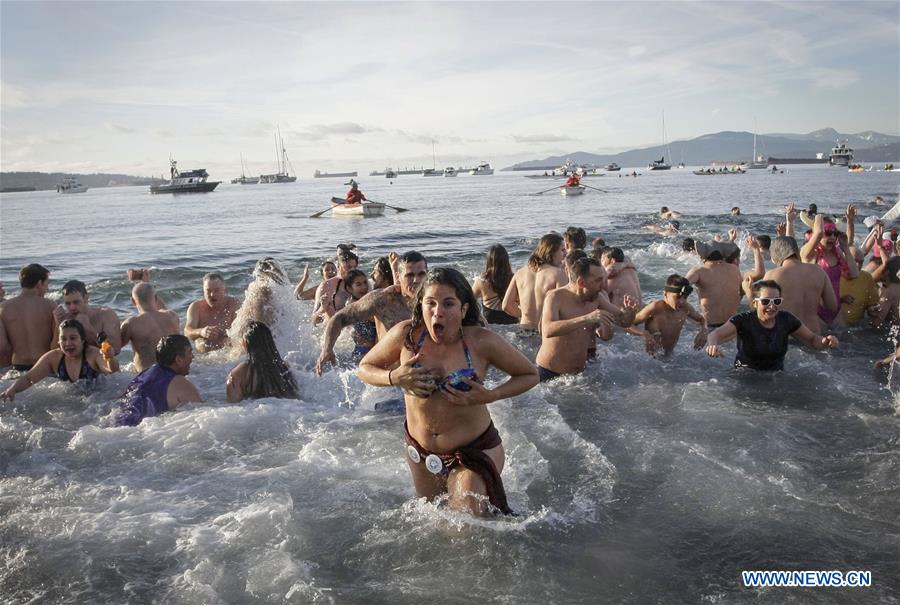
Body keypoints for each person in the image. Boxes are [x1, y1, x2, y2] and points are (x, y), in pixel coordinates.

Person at [357, 267, 538, 516]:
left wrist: (492, 395)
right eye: (430, 303)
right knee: (436, 525)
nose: (438, 312)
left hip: (473, 451)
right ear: (420, 305)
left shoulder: (481, 341)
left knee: (466, 524)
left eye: (448, 304)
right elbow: (365, 367)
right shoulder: (406, 336)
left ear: (464, 310)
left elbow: (530, 374)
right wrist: (393, 376)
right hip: (420, 453)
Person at [316, 251, 428, 375]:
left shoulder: (435, 301)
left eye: (421, 274)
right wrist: (327, 349)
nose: (416, 280)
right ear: (399, 276)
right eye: (409, 275)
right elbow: (339, 318)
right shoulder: (382, 299)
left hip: (420, 375)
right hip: (386, 379)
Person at [535, 257, 635, 381]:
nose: (603, 284)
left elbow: (623, 321)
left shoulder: (597, 297)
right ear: (581, 282)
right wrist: (587, 318)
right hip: (550, 374)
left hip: (579, 375)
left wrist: (630, 312)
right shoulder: (555, 297)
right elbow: (548, 330)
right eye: (598, 280)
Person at [705, 280, 838, 370]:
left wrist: (825, 341)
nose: (771, 306)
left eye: (776, 301)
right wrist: (712, 344)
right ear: (755, 303)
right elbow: (715, 334)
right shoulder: (743, 320)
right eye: (766, 301)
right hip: (745, 376)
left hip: (776, 376)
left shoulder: (786, 320)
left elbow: (813, 340)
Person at [0, 319, 119, 401]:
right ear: (58, 342)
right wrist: (12, 390)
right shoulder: (54, 358)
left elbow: (111, 370)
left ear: (82, 340)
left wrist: (109, 358)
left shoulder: (92, 354)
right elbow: (29, 378)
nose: (68, 343)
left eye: (73, 338)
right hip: (78, 403)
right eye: (63, 339)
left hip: (102, 398)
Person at [116, 334, 202, 426]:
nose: (192, 357)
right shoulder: (181, 383)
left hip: (119, 424)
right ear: (178, 359)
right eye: (189, 352)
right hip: (142, 432)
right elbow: (202, 415)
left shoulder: (144, 374)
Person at [757, 236, 837, 333]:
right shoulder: (819, 271)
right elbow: (832, 306)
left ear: (775, 255)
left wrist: (748, 291)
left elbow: (761, 311)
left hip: (787, 335)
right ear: (797, 252)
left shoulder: (772, 275)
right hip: (813, 334)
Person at [629, 275, 707, 356]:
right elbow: (627, 325)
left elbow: (701, 319)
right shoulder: (655, 308)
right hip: (649, 359)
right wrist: (644, 334)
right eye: (678, 297)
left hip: (670, 357)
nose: (682, 301)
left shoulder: (685, 308)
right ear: (665, 294)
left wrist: (704, 331)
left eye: (685, 297)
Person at [502, 233, 567, 331]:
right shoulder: (558, 274)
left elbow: (506, 305)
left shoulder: (520, 273)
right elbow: (564, 310)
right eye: (562, 250)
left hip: (523, 331)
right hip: (545, 332)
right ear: (552, 252)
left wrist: (525, 313)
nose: (565, 253)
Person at [0, 264, 57, 371]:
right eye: (46, 283)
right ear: (39, 283)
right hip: (45, 365)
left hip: (18, 367)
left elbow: (2, 346)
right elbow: (57, 343)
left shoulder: (4, 308)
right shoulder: (51, 306)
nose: (47, 288)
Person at [226, 321, 299, 402]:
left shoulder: (237, 375)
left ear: (246, 343)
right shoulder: (284, 368)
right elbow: (294, 397)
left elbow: (234, 405)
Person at [120, 282, 180, 372]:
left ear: (132, 301)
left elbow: (116, 348)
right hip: (175, 372)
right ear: (156, 298)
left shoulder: (131, 323)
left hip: (149, 375)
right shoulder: (172, 316)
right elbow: (163, 310)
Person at [54, 280, 122, 353]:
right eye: (68, 303)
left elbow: (116, 349)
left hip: (99, 362)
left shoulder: (106, 315)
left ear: (86, 298)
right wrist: (58, 324)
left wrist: (89, 330)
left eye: (76, 302)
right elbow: (53, 351)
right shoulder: (64, 319)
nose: (72, 307)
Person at [687, 242, 743, 328]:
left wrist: (689, 313)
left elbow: (681, 287)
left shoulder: (699, 271)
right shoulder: (734, 269)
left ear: (703, 256)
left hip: (710, 326)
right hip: (732, 326)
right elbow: (742, 292)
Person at [184, 272, 241, 352]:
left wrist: (232, 339)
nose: (212, 294)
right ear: (203, 291)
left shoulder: (233, 304)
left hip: (228, 355)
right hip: (204, 358)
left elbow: (242, 331)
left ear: (224, 290)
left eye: (216, 290)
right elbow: (187, 331)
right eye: (208, 291)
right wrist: (201, 332)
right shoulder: (196, 307)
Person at [472, 244, 517, 325]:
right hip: (511, 319)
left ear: (488, 261)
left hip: (490, 321)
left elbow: (469, 300)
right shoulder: (515, 278)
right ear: (506, 260)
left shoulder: (481, 281)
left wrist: (478, 317)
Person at [340, 269, 378, 362]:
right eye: (358, 284)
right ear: (349, 288)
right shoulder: (354, 305)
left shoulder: (358, 301)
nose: (364, 287)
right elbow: (375, 318)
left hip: (366, 348)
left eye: (365, 282)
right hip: (364, 351)